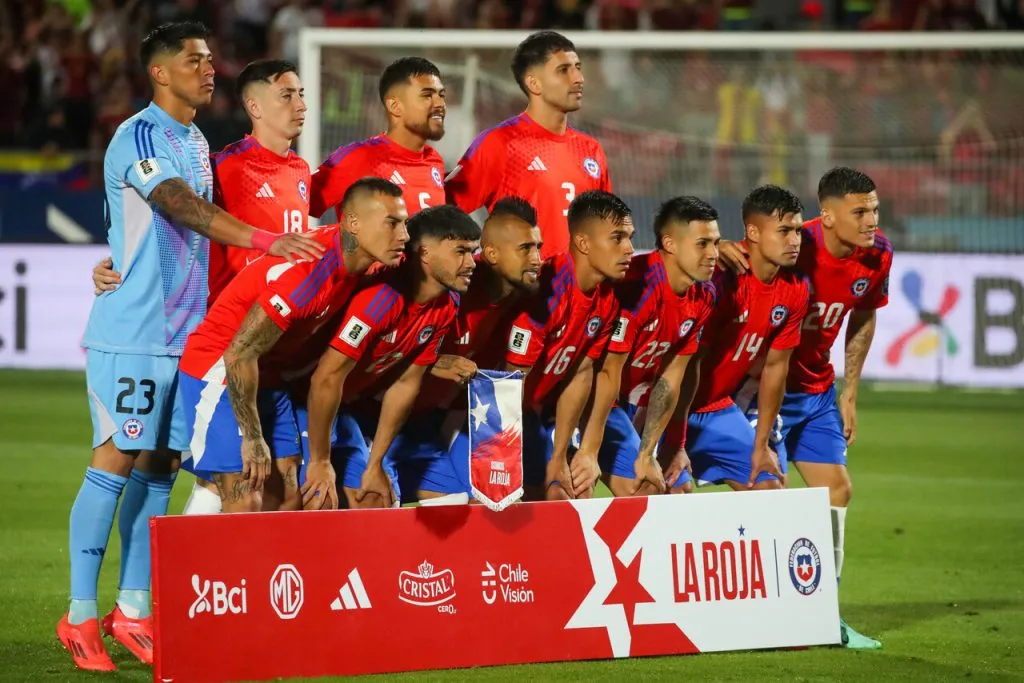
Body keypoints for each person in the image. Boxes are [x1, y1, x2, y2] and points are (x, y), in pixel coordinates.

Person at [62, 22, 322, 673]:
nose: (209, 69)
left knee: (159, 470)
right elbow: (179, 207)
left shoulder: (198, 141)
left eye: (209, 59)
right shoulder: (141, 134)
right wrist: (265, 242)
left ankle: (132, 607)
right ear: (158, 72)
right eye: (194, 60)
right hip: (134, 332)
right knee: (115, 460)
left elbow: (139, 219)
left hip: (187, 336)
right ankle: (78, 614)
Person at [92, 58, 317, 515]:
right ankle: (192, 574)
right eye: (287, 95)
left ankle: (263, 578)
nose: (301, 105)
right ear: (253, 105)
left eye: (301, 94)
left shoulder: (301, 171)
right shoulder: (224, 167)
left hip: (277, 341)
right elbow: (169, 214)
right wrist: (116, 258)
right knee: (229, 479)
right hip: (228, 339)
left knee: (285, 477)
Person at [719, 167, 892, 650]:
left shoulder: (877, 257)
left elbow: (863, 315)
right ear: (827, 216)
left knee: (837, 490)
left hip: (815, 392)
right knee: (771, 497)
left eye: (875, 209)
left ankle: (822, 617)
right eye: (860, 212)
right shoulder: (798, 245)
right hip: (760, 388)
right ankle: (757, 612)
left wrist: (850, 391)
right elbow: (753, 253)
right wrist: (726, 250)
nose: (871, 220)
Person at [176, 178, 408, 513]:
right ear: (353, 223)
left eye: (404, 223)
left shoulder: (368, 263)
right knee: (244, 496)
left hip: (269, 376)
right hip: (220, 369)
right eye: (393, 223)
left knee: (286, 498)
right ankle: (187, 565)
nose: (403, 235)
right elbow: (239, 354)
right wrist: (252, 437)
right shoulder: (307, 274)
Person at [301, 205, 480, 509]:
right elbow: (326, 377)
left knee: (389, 495)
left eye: (473, 252)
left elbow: (406, 385)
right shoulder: (380, 298)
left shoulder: (447, 303)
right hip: (309, 397)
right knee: (315, 496)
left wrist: (376, 464)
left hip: (355, 405)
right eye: (460, 251)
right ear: (424, 252)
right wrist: (320, 460)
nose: (471, 263)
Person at [387, 196, 544, 504]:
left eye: (538, 246)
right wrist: (431, 360)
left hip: (441, 420)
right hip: (383, 416)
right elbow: (390, 347)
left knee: (485, 501)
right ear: (492, 252)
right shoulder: (451, 290)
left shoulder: (518, 301)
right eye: (526, 248)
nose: (538, 259)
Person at [667, 185, 809, 492]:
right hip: (668, 408)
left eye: (798, 231)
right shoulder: (720, 276)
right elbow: (685, 364)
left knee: (770, 489)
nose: (795, 240)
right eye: (784, 231)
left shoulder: (795, 289)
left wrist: (760, 445)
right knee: (671, 494)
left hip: (715, 409)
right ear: (753, 232)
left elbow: (775, 370)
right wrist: (675, 441)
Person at [577, 196, 720, 499]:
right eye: (703, 244)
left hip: (634, 402)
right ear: (669, 243)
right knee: (633, 491)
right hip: (595, 399)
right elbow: (608, 371)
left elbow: (672, 377)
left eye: (716, 244)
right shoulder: (639, 286)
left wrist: (652, 450)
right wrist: (590, 450)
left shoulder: (704, 295)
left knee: (675, 488)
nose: (713, 254)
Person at [505, 190, 633, 501]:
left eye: (630, 237)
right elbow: (510, 383)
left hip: (542, 409)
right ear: (583, 243)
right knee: (533, 498)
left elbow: (582, 372)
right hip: (500, 412)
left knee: (573, 488)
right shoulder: (548, 289)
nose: (629, 248)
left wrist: (560, 455)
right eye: (617, 238)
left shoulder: (607, 297)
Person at [446, 31, 611, 259]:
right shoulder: (501, 143)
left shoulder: (591, 149)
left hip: (579, 290)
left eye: (578, 68)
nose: (578, 78)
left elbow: (605, 226)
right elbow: (443, 211)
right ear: (534, 83)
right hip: (525, 291)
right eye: (563, 70)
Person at [310, 57, 447, 218]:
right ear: (395, 106)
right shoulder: (359, 157)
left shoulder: (434, 161)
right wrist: (331, 239)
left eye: (441, 95)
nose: (440, 104)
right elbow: (296, 204)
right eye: (427, 95)